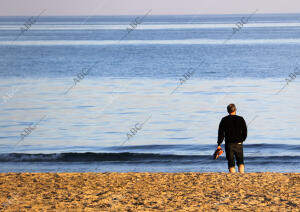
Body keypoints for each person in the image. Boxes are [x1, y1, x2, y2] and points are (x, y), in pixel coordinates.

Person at [217, 104, 247, 173]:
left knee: (231, 162)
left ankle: (233, 175)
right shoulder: (240, 119)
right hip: (239, 143)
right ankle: (241, 174)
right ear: (235, 110)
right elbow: (245, 131)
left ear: (228, 111)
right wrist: (243, 139)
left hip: (229, 144)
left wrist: (219, 143)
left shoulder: (224, 119)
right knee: (240, 161)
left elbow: (221, 133)